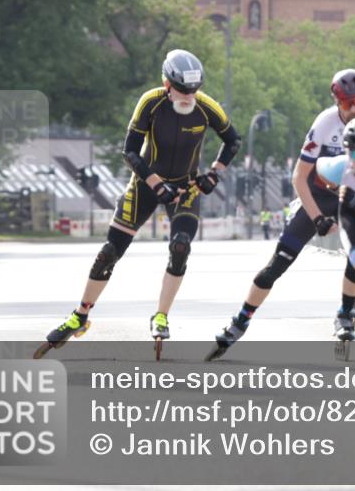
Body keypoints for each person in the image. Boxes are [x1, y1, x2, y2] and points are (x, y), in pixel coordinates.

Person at [35, 50, 241, 358]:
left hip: (186, 188)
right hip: (145, 185)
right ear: (166, 83)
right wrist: (156, 184)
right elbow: (129, 152)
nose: (189, 97)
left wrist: (214, 174)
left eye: (194, 91)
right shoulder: (151, 102)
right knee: (109, 253)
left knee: (181, 246)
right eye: (183, 90)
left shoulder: (206, 107)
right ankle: (80, 315)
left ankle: (161, 315)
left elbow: (233, 141)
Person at [205, 70, 355, 360]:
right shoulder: (325, 123)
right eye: (347, 104)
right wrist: (317, 216)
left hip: (354, 197)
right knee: (277, 263)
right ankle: (240, 321)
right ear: (336, 102)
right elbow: (299, 177)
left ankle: (345, 313)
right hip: (318, 196)